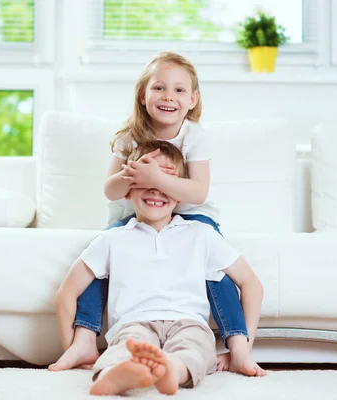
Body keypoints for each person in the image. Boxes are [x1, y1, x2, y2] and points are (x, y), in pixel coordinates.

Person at [49, 51, 265, 377]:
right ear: (143, 94)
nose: (168, 97)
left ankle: (238, 345)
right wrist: (132, 177)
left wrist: (158, 179)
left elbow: (198, 191)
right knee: (103, 253)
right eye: (159, 88)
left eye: (179, 90)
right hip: (134, 211)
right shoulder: (129, 136)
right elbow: (110, 190)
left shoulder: (194, 136)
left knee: (215, 267)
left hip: (193, 212)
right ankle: (83, 338)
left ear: (193, 100)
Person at [53, 141, 264, 396]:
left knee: (195, 351)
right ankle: (115, 375)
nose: (156, 189)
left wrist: (245, 348)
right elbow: (66, 293)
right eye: (146, 179)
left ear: (179, 193)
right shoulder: (112, 239)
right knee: (127, 349)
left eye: (166, 181)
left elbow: (251, 284)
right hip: (134, 324)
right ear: (128, 191)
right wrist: (71, 347)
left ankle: (171, 370)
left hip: (190, 324)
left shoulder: (202, 234)